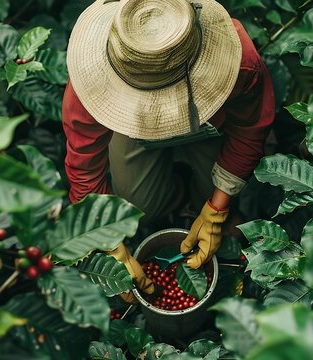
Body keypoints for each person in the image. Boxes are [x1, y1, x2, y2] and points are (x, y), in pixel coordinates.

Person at [62, 0, 274, 300]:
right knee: (137, 206)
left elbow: (250, 129)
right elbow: (84, 164)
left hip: (210, 124)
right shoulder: (91, 80)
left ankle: (204, 203)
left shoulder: (238, 62)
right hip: (132, 131)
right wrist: (107, 239)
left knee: (218, 192)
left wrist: (217, 208)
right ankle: (173, 201)